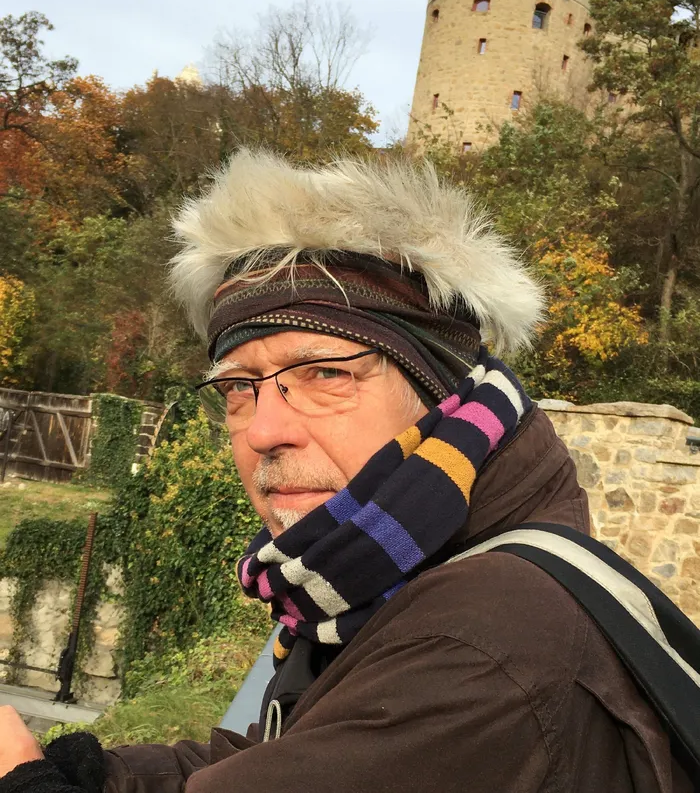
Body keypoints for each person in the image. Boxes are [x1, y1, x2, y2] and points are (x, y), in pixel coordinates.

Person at [0, 150, 691, 793]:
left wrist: (24, 778)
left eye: (326, 372)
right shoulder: (370, 583)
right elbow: (282, 753)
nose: (264, 431)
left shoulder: (478, 647)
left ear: (442, 394)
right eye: (241, 387)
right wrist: (90, 772)